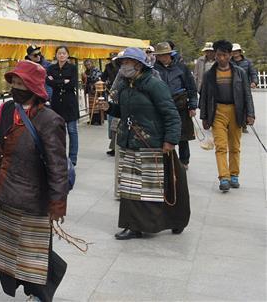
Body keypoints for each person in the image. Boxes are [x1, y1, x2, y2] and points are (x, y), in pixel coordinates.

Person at [0, 60, 69, 302]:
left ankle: (41, 293)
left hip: (35, 197)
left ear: (33, 87)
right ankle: (29, 290)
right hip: (8, 193)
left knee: (33, 252)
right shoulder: (7, 110)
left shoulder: (50, 120)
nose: (15, 87)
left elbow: (58, 166)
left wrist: (58, 202)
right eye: (13, 82)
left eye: (20, 83)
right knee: (11, 249)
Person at [109, 48, 189, 240]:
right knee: (130, 186)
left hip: (152, 143)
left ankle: (175, 220)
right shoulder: (125, 86)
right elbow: (124, 112)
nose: (123, 66)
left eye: (127, 62)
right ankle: (133, 225)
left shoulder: (154, 85)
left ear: (138, 64)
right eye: (122, 63)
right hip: (129, 141)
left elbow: (171, 114)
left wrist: (170, 140)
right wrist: (110, 107)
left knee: (155, 186)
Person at [199, 40, 256, 192]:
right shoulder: (209, 74)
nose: (221, 58)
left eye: (224, 55)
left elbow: (247, 94)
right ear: (215, 55)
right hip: (217, 111)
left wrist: (250, 114)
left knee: (235, 147)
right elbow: (204, 96)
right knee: (221, 146)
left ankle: (234, 175)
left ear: (230, 55)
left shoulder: (240, 73)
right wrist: (204, 116)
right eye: (218, 55)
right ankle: (224, 177)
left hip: (236, 111)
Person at [152, 42, 199, 169]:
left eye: (165, 55)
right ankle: (167, 160)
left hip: (181, 104)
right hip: (161, 104)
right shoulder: (153, 69)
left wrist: (192, 106)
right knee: (164, 133)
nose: (163, 58)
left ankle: (184, 161)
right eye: (160, 55)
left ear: (170, 54)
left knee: (183, 135)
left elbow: (191, 88)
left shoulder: (181, 68)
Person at [47, 46, 79, 166]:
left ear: (67, 55)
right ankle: (60, 156)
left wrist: (56, 81)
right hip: (57, 103)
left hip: (69, 102)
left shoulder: (72, 68)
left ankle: (73, 158)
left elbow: (72, 84)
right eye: (59, 53)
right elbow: (48, 81)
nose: (61, 55)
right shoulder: (51, 68)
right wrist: (63, 81)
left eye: (64, 53)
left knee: (72, 130)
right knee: (59, 131)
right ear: (56, 55)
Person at [83, 59, 104, 125]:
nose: (88, 66)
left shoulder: (96, 70)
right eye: (86, 65)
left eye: (89, 64)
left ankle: (97, 120)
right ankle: (92, 119)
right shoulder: (86, 71)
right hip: (90, 90)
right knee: (91, 106)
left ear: (92, 63)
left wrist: (87, 77)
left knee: (96, 105)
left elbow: (96, 78)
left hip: (96, 90)